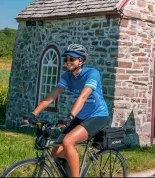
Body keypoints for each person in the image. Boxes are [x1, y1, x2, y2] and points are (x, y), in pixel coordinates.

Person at [26, 43, 109, 178]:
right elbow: (52, 95)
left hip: (97, 116)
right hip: (81, 116)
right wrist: (33, 114)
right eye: (66, 59)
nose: (68, 62)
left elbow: (83, 97)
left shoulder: (92, 74)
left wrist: (70, 116)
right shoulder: (67, 76)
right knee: (55, 152)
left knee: (68, 141)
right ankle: (71, 167)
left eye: (72, 59)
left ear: (81, 61)